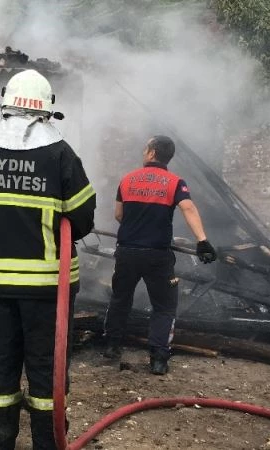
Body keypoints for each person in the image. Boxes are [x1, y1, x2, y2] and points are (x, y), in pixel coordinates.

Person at [0, 69, 96, 450]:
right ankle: (48, 443)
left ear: (6, 102)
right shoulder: (60, 153)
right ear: (47, 108)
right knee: (47, 373)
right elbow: (83, 216)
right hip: (49, 288)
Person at [103, 135, 216, 375]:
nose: (143, 151)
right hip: (157, 255)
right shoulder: (175, 182)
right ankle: (158, 359)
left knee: (120, 298)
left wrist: (136, 225)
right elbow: (188, 207)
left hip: (127, 252)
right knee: (164, 306)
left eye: (146, 148)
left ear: (153, 153)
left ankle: (112, 345)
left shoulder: (127, 179)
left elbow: (119, 215)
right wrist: (202, 241)